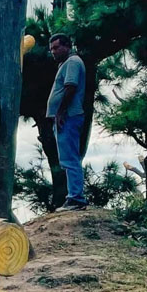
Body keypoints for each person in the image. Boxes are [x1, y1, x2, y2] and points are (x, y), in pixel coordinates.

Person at [47, 33, 88, 211]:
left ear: (67, 46)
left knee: (70, 158)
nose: (53, 52)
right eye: (51, 49)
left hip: (69, 116)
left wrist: (61, 112)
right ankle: (74, 196)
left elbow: (71, 87)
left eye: (56, 48)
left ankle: (76, 198)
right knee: (68, 158)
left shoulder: (72, 62)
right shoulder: (66, 63)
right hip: (67, 116)